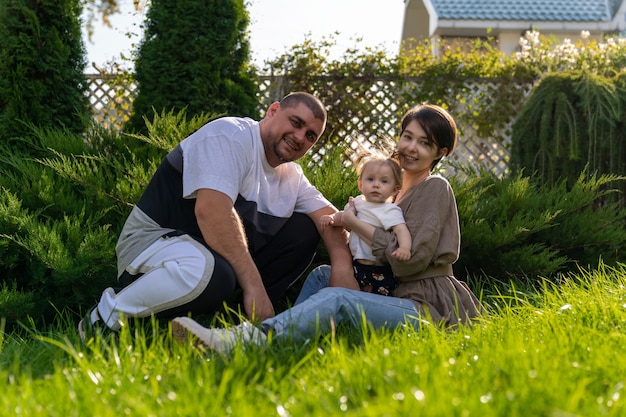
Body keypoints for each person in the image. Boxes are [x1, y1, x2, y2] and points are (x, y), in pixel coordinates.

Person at [171, 103, 482, 353]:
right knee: (324, 275)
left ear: (440, 153)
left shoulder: (435, 188)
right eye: (408, 136)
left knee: (338, 299)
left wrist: (354, 223)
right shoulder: (391, 192)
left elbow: (411, 261)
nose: (411, 147)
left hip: (427, 310)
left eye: (424, 143)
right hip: (391, 293)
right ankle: (279, 342)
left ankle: (251, 341)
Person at [78, 92, 357, 339]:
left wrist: (342, 267)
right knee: (212, 273)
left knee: (304, 229)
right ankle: (105, 316)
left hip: (209, 260)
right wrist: (253, 286)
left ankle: (242, 330)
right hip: (151, 247)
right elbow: (212, 213)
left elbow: (332, 220)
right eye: (296, 123)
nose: (299, 137)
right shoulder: (229, 136)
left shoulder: (293, 177)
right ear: (273, 111)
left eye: (310, 136)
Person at [320, 152, 411, 296]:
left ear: (395, 190)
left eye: (384, 181)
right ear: (360, 184)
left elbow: (401, 229)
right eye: (370, 179)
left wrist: (405, 248)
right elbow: (343, 217)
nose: (376, 184)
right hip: (356, 265)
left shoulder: (390, 210)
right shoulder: (357, 203)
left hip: (379, 269)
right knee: (348, 296)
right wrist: (331, 218)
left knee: (371, 303)